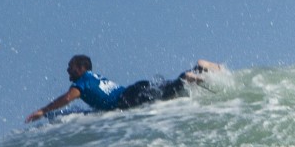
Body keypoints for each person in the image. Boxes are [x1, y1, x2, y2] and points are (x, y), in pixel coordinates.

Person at [26, 54, 221, 122]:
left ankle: (189, 75)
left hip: (128, 99)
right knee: (167, 88)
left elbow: (68, 98)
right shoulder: (94, 76)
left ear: (81, 68)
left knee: (169, 93)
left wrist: (43, 110)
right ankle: (198, 67)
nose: (67, 69)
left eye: (71, 66)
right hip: (133, 90)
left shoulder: (81, 83)